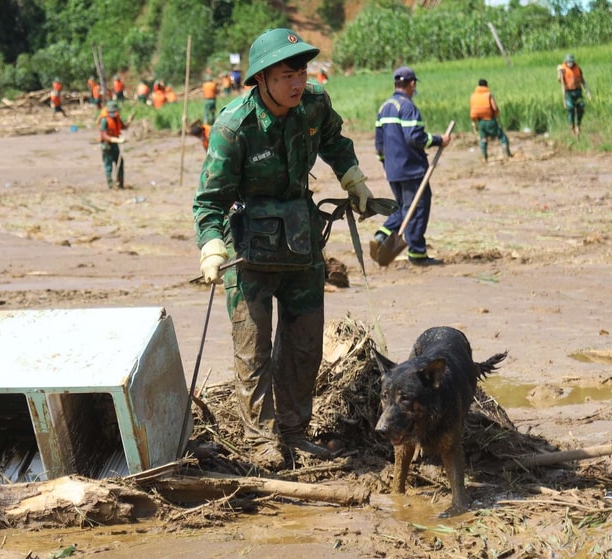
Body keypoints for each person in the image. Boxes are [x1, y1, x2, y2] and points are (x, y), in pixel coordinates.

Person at [192, 28, 375, 470]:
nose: (298, 83)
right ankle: (261, 441)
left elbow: (334, 140)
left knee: (304, 346)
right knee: (252, 348)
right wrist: (211, 245)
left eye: (302, 72)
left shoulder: (314, 104)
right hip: (247, 252)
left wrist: (353, 179)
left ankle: (294, 431)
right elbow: (209, 200)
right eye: (287, 75)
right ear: (262, 79)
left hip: (301, 240)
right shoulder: (234, 127)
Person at [374, 66, 451, 266]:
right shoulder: (407, 107)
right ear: (412, 84)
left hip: (393, 170)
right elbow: (414, 137)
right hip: (411, 169)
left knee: (403, 207)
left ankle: (382, 236)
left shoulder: (384, 107)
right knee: (418, 207)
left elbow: (379, 144)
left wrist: (386, 164)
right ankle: (417, 253)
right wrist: (438, 140)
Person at [469, 78, 511, 161]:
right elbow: (494, 107)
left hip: (480, 122)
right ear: (486, 85)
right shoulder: (489, 95)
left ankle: (485, 157)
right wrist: (496, 114)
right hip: (490, 120)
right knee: (502, 136)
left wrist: (475, 122)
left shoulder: (473, 96)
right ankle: (507, 154)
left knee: (483, 139)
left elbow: (473, 109)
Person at [557, 53, 591, 136]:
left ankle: (578, 125)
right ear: (566, 62)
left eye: (571, 61)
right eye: (568, 62)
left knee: (581, 106)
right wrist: (564, 99)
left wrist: (588, 91)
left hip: (578, 91)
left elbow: (583, 81)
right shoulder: (563, 70)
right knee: (571, 108)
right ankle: (571, 127)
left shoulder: (578, 69)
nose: (570, 63)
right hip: (569, 92)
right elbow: (561, 84)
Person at [99, 100, 128, 189]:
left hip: (115, 145)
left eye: (114, 111)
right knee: (108, 166)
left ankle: (120, 184)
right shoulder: (104, 120)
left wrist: (128, 122)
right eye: (111, 112)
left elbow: (123, 126)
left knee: (120, 163)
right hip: (107, 145)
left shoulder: (117, 118)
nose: (113, 113)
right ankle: (111, 185)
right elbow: (103, 135)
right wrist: (115, 139)